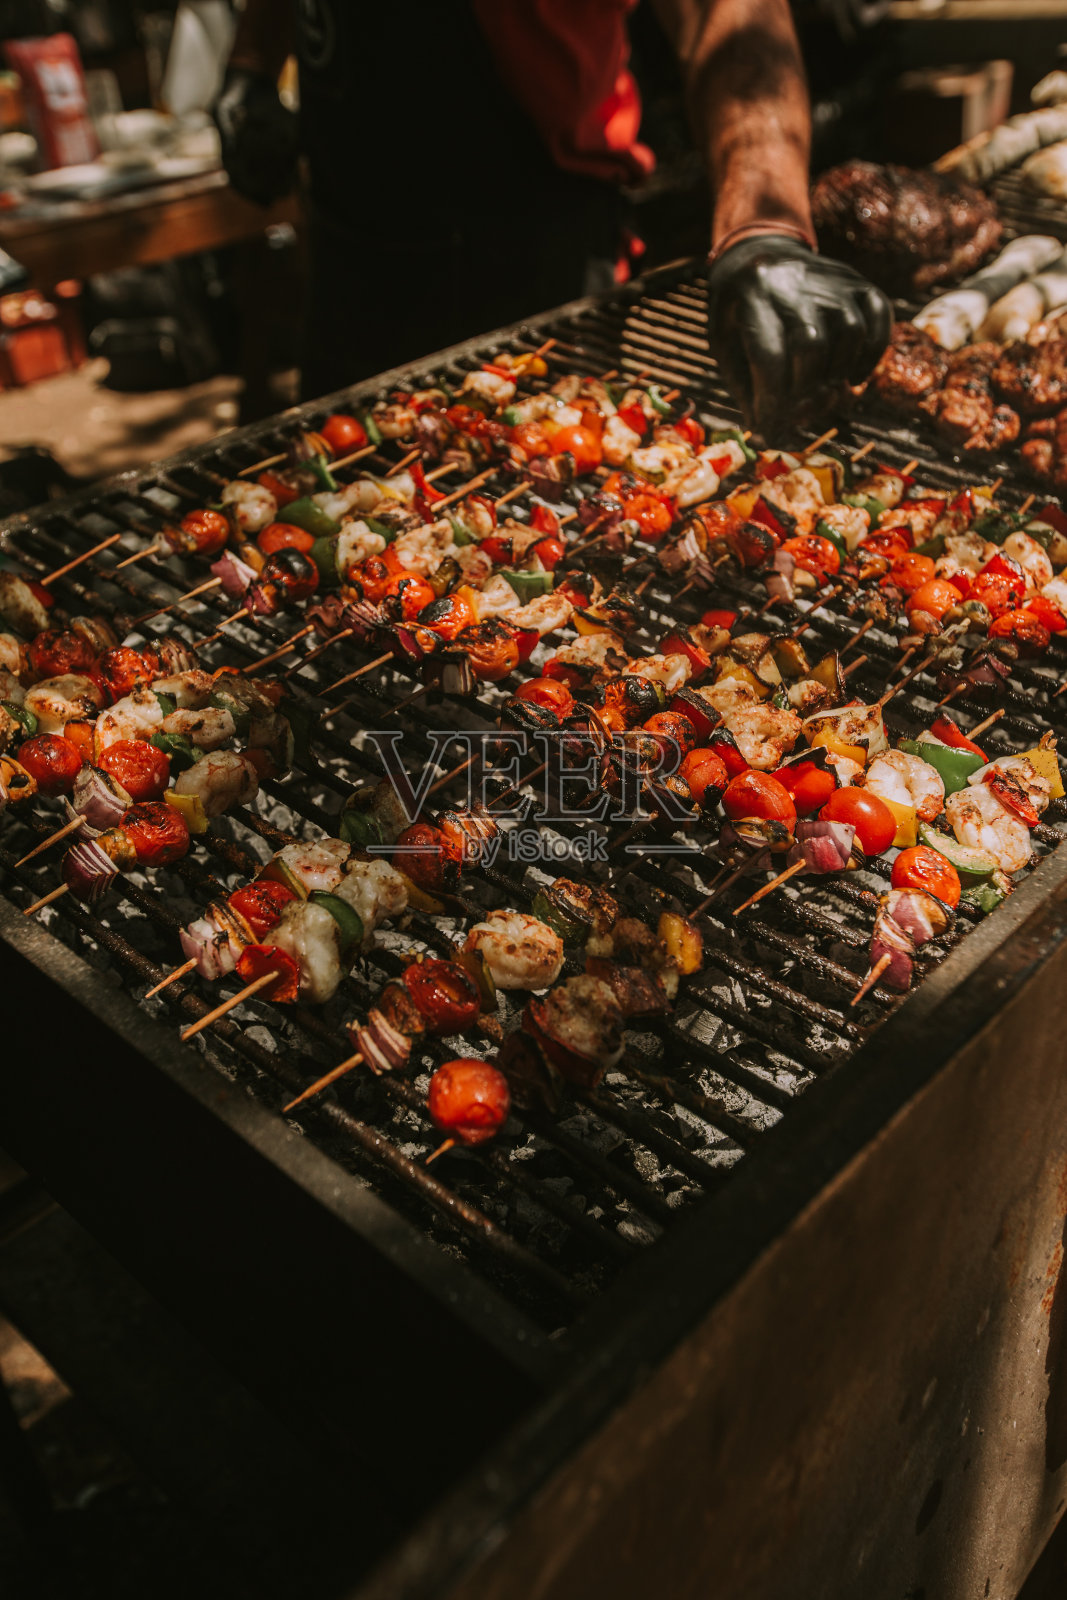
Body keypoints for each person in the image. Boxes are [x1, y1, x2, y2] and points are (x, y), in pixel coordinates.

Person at [216, 0, 890, 436]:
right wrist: (250, 65)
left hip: (534, 264)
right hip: (348, 258)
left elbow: (732, 18)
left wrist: (759, 225)